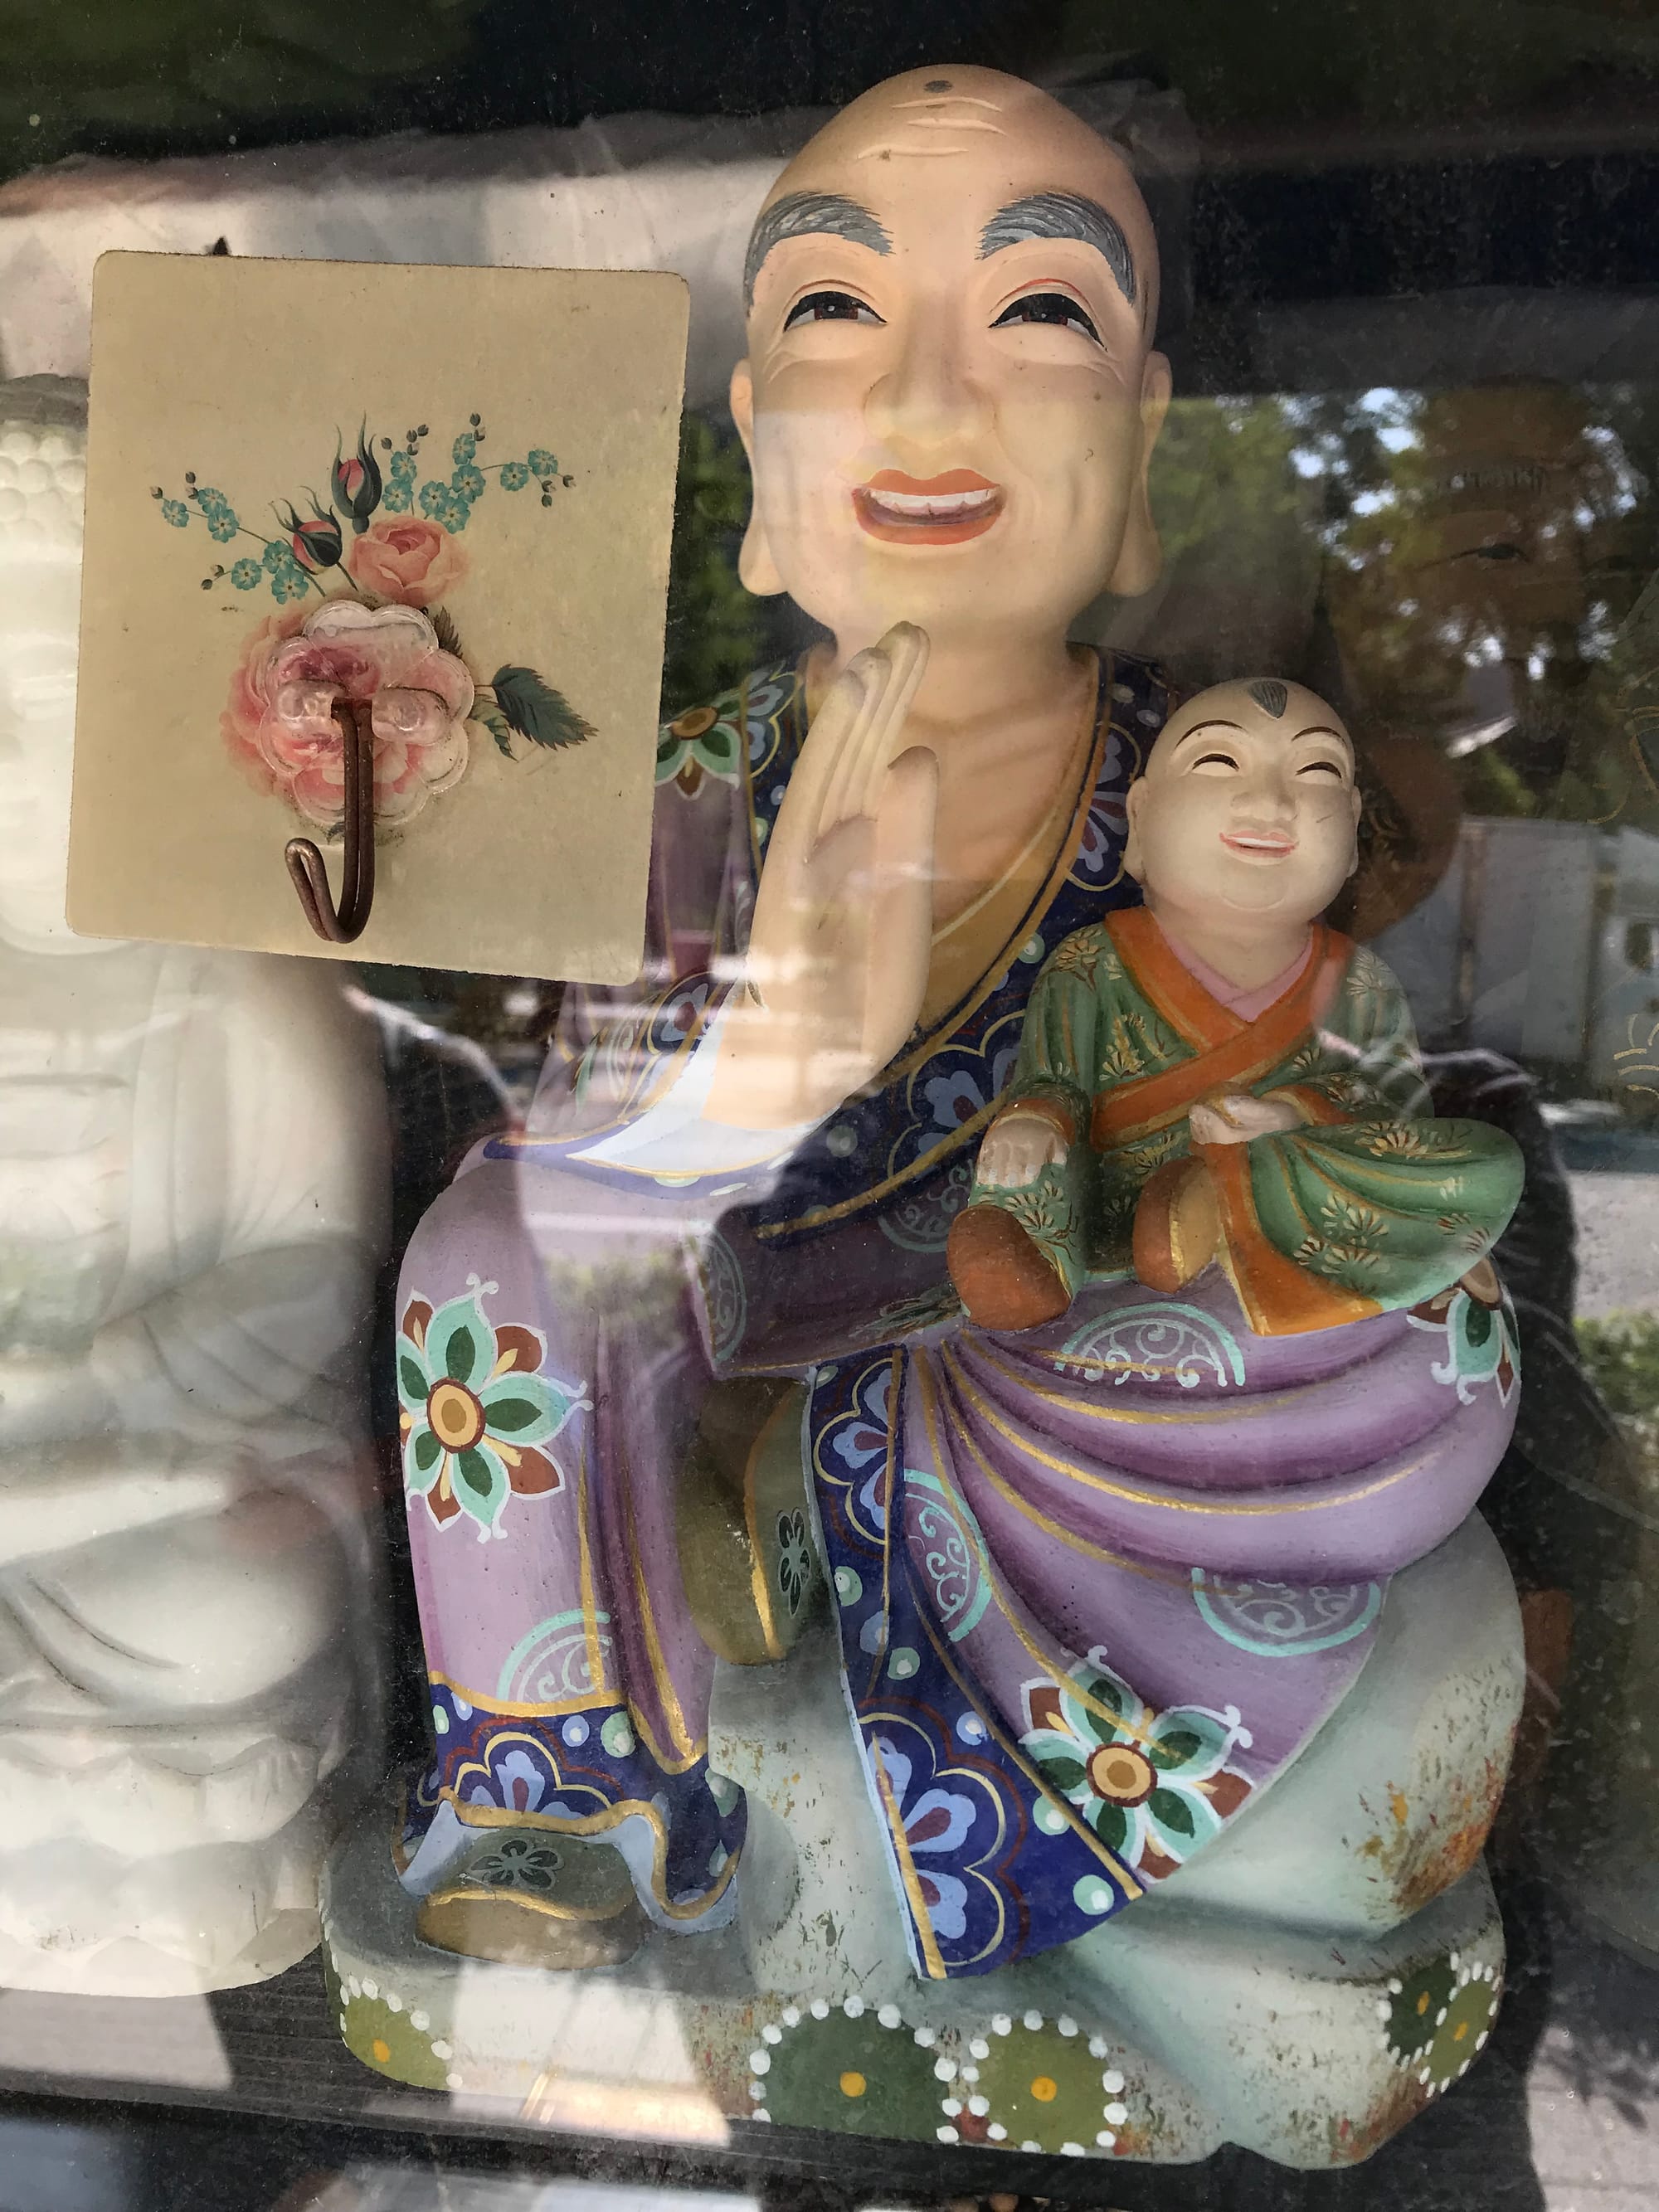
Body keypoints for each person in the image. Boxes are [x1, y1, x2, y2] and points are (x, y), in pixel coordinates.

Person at [0, 378, 389, 1994]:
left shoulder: (242, 977)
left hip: (151, 1481)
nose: (31, 780)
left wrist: (93, 1401)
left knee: (241, 1608)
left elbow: (312, 1253)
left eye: (78, 729)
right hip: (55, 1470)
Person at [948, 678, 1524, 1332]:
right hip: (1115, 1206)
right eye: (1219, 762)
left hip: (1294, 1184)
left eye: (1316, 771)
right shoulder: (1091, 963)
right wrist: (1035, 1120)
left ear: (1354, 832)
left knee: (1490, 1159)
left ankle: (1215, 1205)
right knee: (1024, 1165)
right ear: (1139, 819)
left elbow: (1397, 1116)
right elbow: (1056, 1081)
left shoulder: (1360, 981)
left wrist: (1290, 1112)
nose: (1271, 801)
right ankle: (1034, 1262)